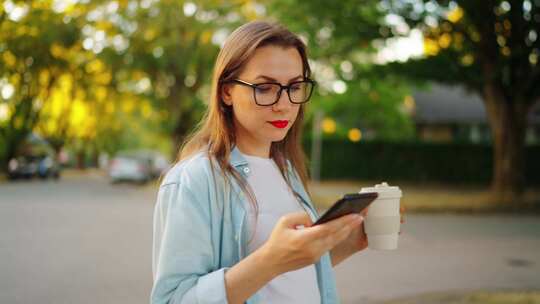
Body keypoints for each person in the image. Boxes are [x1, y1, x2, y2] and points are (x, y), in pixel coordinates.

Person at [151, 20, 394, 304]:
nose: (284, 104)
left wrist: (349, 243)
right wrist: (270, 260)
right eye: (264, 88)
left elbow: (290, 276)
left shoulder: (286, 170)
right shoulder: (193, 180)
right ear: (226, 91)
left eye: (294, 86)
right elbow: (172, 300)